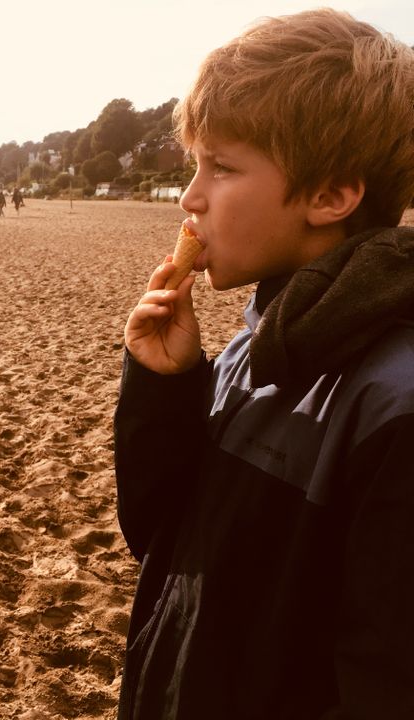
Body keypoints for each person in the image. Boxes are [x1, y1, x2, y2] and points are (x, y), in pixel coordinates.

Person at [114, 9, 414, 719]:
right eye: (195, 164)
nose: (191, 198)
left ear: (332, 195)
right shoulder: (259, 342)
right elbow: (157, 531)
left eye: (221, 167)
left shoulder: (393, 406)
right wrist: (167, 385)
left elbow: (383, 682)